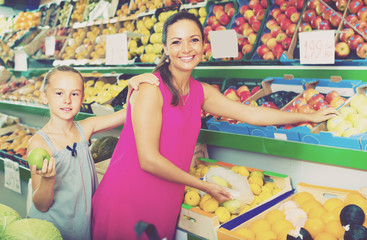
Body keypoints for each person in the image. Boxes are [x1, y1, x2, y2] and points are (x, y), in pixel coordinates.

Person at [91, 11, 337, 240]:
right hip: (128, 198)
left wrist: (307, 117)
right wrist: (203, 185)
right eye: (176, 42)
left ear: (203, 45)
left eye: (193, 40)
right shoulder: (150, 90)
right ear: (165, 48)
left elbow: (251, 114)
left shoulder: (201, 92)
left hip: (166, 198)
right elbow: (148, 159)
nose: (186, 49)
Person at [26, 65, 158, 240]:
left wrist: (131, 87)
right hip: (52, 229)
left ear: (82, 98)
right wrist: (48, 179)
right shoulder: (39, 142)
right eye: (59, 93)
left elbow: (129, 113)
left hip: (81, 226)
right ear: (44, 96)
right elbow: (41, 205)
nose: (67, 100)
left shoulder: (85, 128)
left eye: (74, 94)